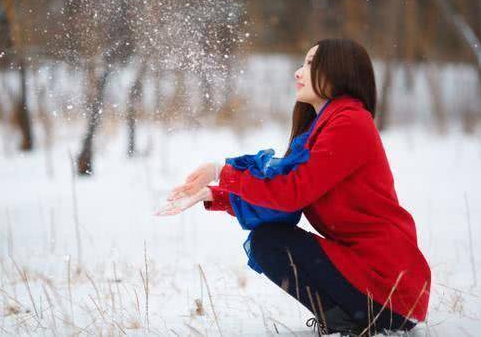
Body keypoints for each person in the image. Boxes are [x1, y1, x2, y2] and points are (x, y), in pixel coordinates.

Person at [157, 39, 431, 336]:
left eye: (311, 63)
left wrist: (223, 171)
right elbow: (282, 195)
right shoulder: (321, 128)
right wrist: (213, 192)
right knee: (268, 239)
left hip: (389, 283)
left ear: (339, 70)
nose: (298, 72)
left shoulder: (351, 123)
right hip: (368, 275)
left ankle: (357, 322)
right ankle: (350, 321)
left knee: (269, 242)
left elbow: (290, 193)